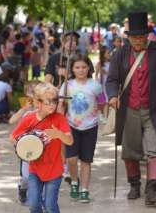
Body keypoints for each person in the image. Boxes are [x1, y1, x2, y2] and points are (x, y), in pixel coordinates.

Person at [106, 12, 156, 206]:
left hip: (154, 109)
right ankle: (134, 185)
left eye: (141, 36)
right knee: (130, 150)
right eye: (134, 37)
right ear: (128, 37)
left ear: (147, 35)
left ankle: (152, 189)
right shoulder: (120, 54)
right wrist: (113, 96)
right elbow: (112, 80)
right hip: (129, 109)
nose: (138, 40)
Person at [11, 82, 73, 213]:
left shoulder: (59, 119)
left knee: (50, 206)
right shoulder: (29, 119)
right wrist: (25, 145)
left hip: (54, 170)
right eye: (48, 101)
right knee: (33, 205)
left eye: (55, 101)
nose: (52, 105)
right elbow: (14, 137)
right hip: (35, 170)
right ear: (38, 103)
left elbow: (70, 141)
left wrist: (59, 134)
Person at [58, 54, 105, 203]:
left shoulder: (95, 85)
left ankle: (85, 190)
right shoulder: (67, 85)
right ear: (72, 69)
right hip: (71, 126)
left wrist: (100, 112)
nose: (81, 70)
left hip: (90, 127)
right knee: (71, 159)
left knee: (86, 160)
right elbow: (61, 105)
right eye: (77, 67)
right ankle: (74, 181)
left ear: (89, 68)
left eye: (84, 67)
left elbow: (102, 101)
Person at [95, 46, 111, 117]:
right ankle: (101, 113)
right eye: (108, 53)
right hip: (101, 84)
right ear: (103, 54)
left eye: (109, 53)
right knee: (101, 101)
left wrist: (105, 72)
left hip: (108, 84)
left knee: (107, 101)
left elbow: (111, 74)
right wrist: (97, 81)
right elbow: (96, 75)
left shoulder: (111, 63)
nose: (109, 54)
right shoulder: (99, 64)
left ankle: (106, 116)